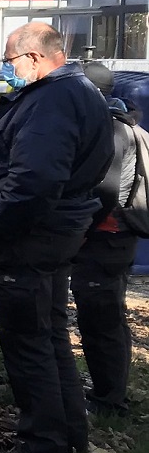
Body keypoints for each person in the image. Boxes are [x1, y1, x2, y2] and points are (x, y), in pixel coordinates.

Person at [0, 23, 111, 453]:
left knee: (27, 341)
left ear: (34, 58)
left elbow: (36, 179)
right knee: (48, 335)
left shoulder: (53, 99)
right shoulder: (79, 92)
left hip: (32, 236)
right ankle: (70, 433)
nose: (7, 69)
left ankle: (42, 444)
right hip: (55, 231)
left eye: (10, 61)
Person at [70, 62, 138, 417]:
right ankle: (109, 391)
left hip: (106, 237)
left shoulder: (111, 129)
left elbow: (107, 191)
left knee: (102, 320)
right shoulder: (121, 124)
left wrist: (81, 230)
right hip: (111, 236)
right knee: (105, 317)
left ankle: (110, 400)